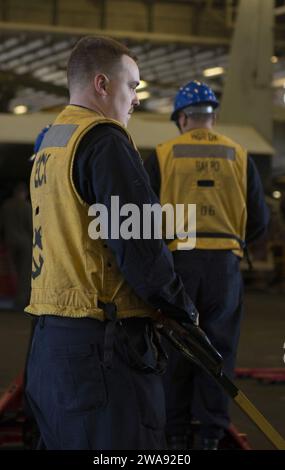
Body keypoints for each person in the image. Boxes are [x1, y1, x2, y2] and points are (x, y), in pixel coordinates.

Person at [24, 37, 210, 450]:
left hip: (49, 343)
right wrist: (183, 310)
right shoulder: (103, 141)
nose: (136, 100)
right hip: (102, 348)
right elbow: (139, 245)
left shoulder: (52, 144)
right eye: (133, 86)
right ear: (103, 84)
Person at [145, 80, 270, 449]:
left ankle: (175, 433)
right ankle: (211, 436)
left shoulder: (165, 153)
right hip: (224, 267)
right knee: (219, 350)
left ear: (182, 117)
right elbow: (260, 220)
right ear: (211, 116)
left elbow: (147, 214)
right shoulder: (239, 154)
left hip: (178, 265)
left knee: (177, 346)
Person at [0, 182, 32, 310]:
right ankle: (21, 301)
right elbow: (31, 227)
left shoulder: (6, 206)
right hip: (25, 244)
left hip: (10, 242)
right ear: (24, 193)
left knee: (13, 272)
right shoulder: (27, 206)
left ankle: (13, 299)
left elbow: (1, 225)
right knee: (25, 273)